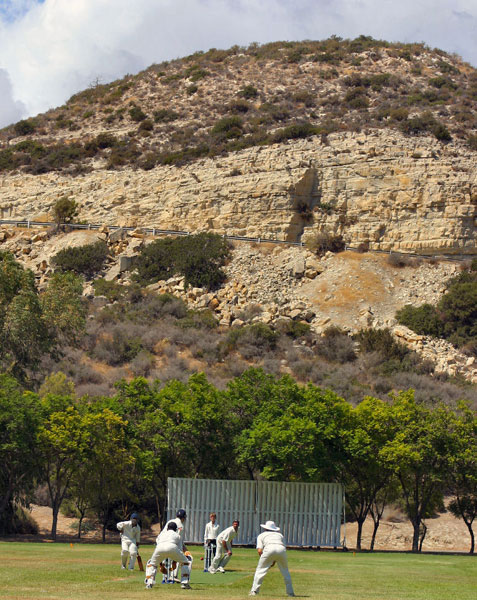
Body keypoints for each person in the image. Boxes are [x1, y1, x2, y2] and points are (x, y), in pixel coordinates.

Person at [249, 520, 294, 597]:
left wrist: (266, 560)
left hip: (269, 549)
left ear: (265, 528)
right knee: (285, 572)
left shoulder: (261, 535)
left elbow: (260, 550)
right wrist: (273, 560)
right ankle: (290, 593)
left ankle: (254, 591)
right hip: (281, 550)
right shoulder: (280, 535)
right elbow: (281, 548)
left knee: (260, 571)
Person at [145, 521, 192, 589]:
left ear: (167, 528)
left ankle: (149, 583)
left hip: (159, 548)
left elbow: (158, 548)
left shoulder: (161, 535)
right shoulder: (177, 535)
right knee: (186, 562)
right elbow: (179, 550)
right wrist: (175, 562)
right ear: (175, 529)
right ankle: (184, 583)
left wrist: (161, 565)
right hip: (172, 547)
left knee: (151, 563)